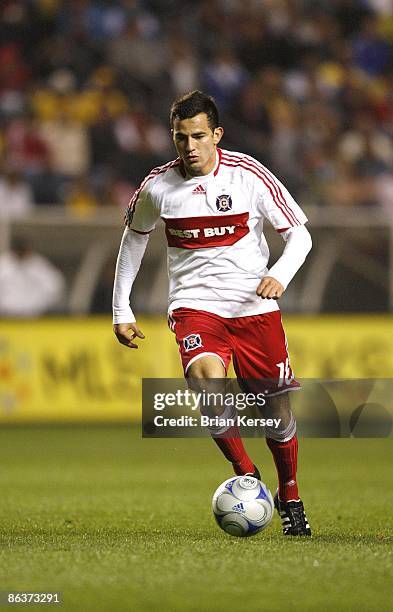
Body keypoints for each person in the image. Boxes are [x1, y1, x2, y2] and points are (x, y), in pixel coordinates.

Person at [113, 91, 312, 536]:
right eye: (180, 138)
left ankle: (291, 494)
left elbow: (299, 234)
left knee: (276, 415)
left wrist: (279, 275)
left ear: (216, 135)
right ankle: (246, 473)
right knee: (205, 378)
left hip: (254, 306)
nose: (189, 147)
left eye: (198, 136)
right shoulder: (158, 186)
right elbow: (134, 240)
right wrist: (120, 309)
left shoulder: (248, 175)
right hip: (194, 306)